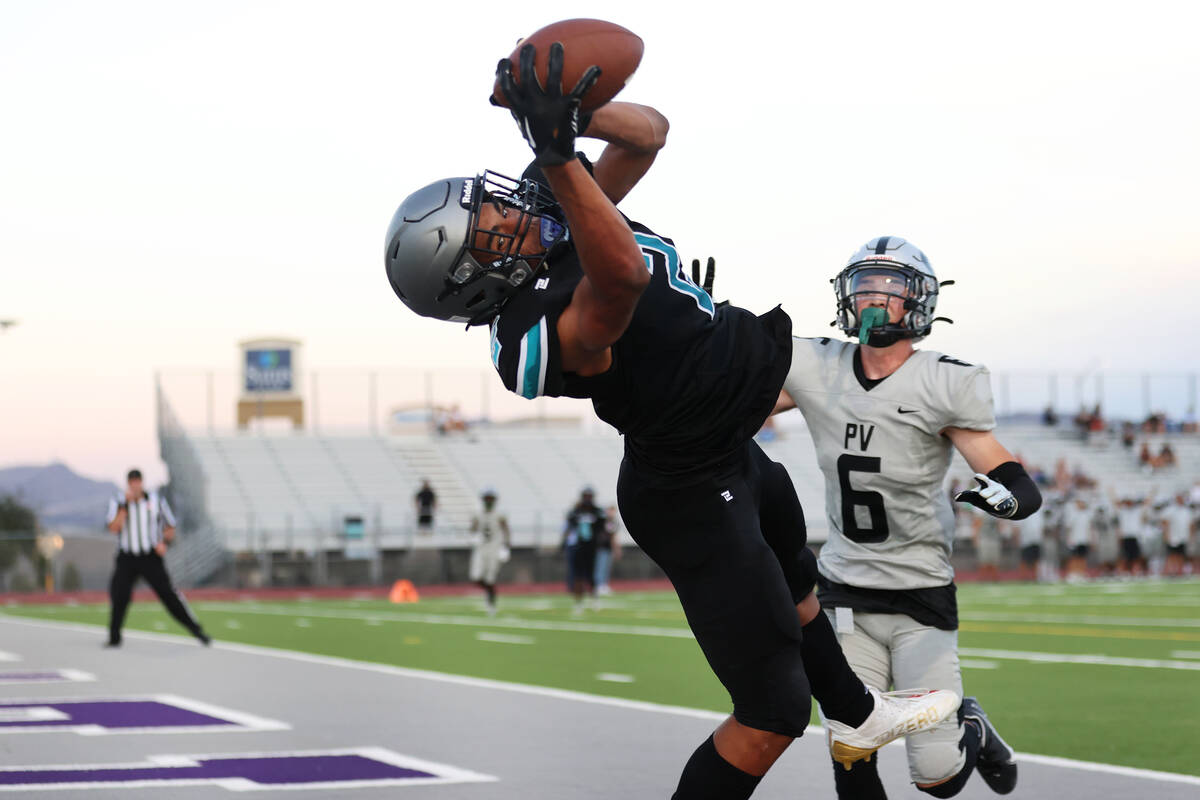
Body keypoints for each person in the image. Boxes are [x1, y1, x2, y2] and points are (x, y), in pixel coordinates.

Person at [382, 44, 956, 799]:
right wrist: (557, 155)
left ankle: (857, 712)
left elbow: (647, 135)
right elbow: (621, 277)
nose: (501, 205)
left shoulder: (548, 202)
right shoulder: (532, 333)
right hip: (688, 490)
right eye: (485, 218)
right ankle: (839, 718)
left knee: (796, 575)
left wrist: (566, 117)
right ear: (475, 272)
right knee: (772, 710)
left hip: (727, 438)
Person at [775, 236, 1040, 798]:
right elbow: (734, 400)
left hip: (920, 592)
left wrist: (1004, 494)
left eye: (889, 286)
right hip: (845, 588)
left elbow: (1009, 474)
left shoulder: (945, 380)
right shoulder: (816, 365)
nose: (873, 298)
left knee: (938, 777)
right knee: (851, 749)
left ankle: (970, 723)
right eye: (863, 285)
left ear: (916, 301)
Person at [104, 469, 210, 648]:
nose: (135, 485)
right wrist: (125, 507)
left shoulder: (156, 501)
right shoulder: (118, 501)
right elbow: (114, 528)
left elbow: (170, 526)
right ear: (128, 484)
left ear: (142, 482)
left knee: (168, 594)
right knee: (119, 595)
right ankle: (114, 637)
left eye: (138, 481)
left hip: (149, 556)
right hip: (127, 556)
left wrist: (164, 543)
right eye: (132, 482)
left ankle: (197, 630)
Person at [468, 488, 509, 615]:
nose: (489, 501)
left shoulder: (499, 514)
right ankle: (489, 593)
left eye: (491, 499)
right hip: (481, 548)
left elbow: (506, 529)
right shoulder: (477, 513)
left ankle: (491, 604)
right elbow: (472, 529)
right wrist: (473, 530)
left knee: (490, 579)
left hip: (494, 548)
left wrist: (506, 545)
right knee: (475, 577)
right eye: (487, 498)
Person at [563, 486, 603, 613]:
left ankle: (594, 599)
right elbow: (569, 527)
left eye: (589, 496)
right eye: (586, 496)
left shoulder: (597, 512)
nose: (588, 499)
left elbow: (602, 527)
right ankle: (578, 602)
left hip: (591, 547)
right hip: (578, 547)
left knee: (590, 575)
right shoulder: (576, 511)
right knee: (578, 576)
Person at [596, 503, 623, 595]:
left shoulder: (614, 522)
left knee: (606, 567)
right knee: (601, 566)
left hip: (608, 548)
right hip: (601, 547)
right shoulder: (603, 521)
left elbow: (614, 536)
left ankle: (604, 584)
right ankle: (599, 585)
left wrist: (616, 549)